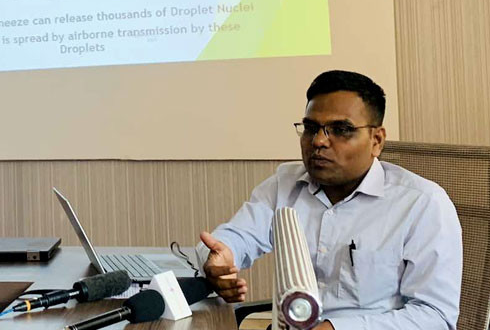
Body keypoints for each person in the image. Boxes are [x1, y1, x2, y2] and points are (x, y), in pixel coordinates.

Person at [196, 70, 461, 329]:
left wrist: (335, 328)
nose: (319, 141)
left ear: (376, 141)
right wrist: (219, 258)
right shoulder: (285, 184)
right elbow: (237, 237)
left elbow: (435, 316)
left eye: (340, 129)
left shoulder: (422, 204)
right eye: (311, 128)